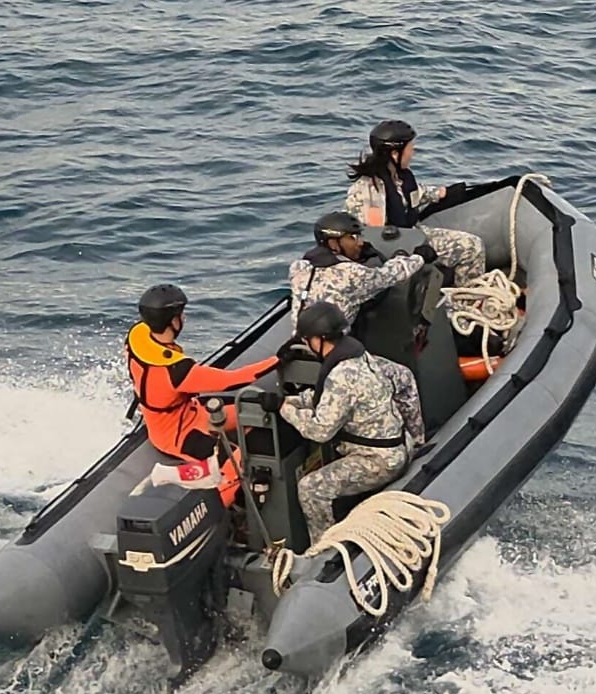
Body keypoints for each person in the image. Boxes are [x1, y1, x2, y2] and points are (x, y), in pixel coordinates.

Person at [276, 301, 426, 533]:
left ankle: (324, 550)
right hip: (399, 446)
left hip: (378, 461)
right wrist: (417, 438)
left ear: (320, 339)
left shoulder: (340, 376)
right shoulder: (360, 356)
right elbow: (403, 378)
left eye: (308, 339)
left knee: (310, 488)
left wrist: (285, 410)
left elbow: (320, 431)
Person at [126, 284, 278, 506]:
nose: (184, 318)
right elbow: (233, 380)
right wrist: (278, 359)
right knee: (234, 461)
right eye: (181, 314)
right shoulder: (176, 370)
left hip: (190, 413)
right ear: (172, 321)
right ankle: (213, 504)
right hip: (175, 434)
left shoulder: (137, 338)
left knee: (249, 412)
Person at [343, 119, 486, 285]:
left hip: (413, 235)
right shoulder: (368, 192)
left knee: (473, 243)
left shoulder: (399, 176)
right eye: (410, 148)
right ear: (395, 154)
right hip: (399, 249)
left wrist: (443, 193)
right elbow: (374, 238)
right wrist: (414, 254)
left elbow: (414, 194)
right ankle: (467, 301)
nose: (413, 151)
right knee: (471, 247)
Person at [289, 210, 437, 329]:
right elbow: (390, 275)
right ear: (333, 243)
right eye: (353, 238)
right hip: (333, 351)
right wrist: (419, 257)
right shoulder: (352, 275)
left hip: (304, 341)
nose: (360, 243)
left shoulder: (298, 268)